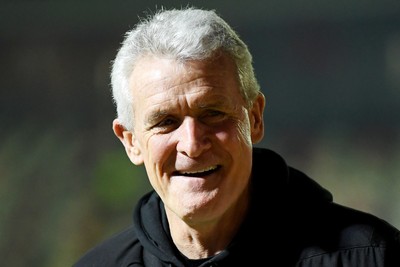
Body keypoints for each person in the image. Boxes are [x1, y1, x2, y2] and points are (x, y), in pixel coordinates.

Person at [74, 7, 400, 267]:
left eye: (213, 114)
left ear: (254, 117)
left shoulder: (373, 256)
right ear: (130, 141)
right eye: (166, 122)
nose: (191, 143)